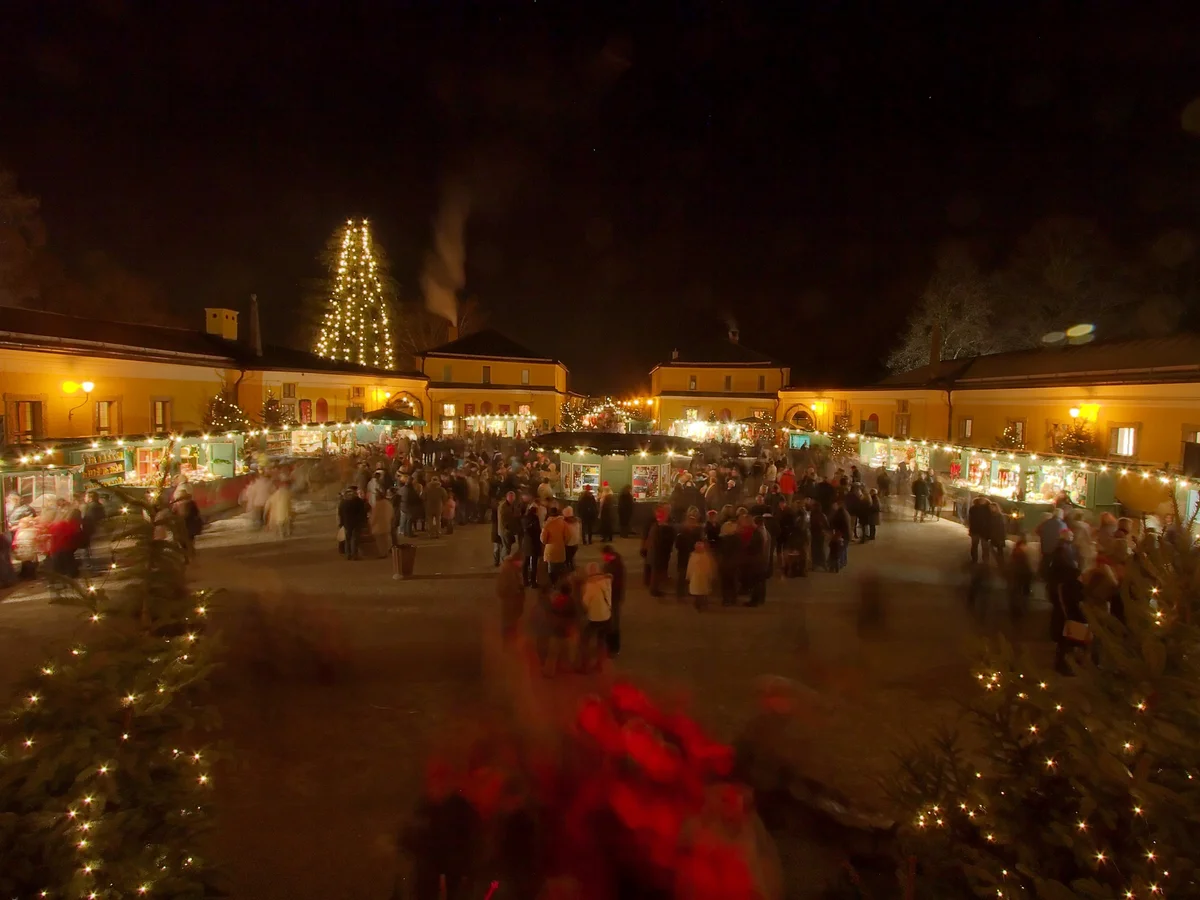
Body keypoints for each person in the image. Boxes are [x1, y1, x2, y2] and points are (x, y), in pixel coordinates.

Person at [580, 562, 613, 671]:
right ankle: (599, 664)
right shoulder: (607, 582)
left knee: (585, 639)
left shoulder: (590, 586)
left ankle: (585, 664)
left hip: (594, 618)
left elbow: (585, 603)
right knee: (601, 640)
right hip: (606, 616)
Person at [496, 546, 525, 643]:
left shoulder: (513, 568)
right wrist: (515, 592)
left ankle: (510, 640)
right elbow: (503, 586)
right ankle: (508, 642)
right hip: (509, 601)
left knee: (511, 622)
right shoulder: (508, 570)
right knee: (508, 622)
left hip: (512, 601)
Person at [601, 545, 626, 657]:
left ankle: (613, 648)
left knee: (612, 622)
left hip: (612, 597)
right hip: (615, 596)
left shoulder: (611, 566)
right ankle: (612, 647)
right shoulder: (618, 563)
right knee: (613, 621)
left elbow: (609, 583)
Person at [337, 486, 369, 561]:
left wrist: (341, 523)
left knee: (347, 539)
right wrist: (364, 521)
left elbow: (340, 514)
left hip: (347, 523)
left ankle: (348, 555)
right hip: (357, 523)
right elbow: (362, 513)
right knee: (355, 539)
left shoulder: (343, 502)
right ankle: (354, 555)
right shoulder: (358, 501)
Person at [541, 506, 570, 585]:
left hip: (550, 550)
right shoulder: (563, 523)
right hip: (560, 549)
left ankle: (553, 584)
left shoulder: (547, 524)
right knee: (560, 568)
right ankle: (560, 584)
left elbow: (543, 539)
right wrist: (563, 542)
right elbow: (567, 536)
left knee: (551, 569)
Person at [686, 540, 715, 610]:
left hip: (701, 576)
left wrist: (710, 575)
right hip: (696, 576)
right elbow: (690, 567)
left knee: (700, 590)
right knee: (698, 590)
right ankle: (698, 602)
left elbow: (708, 567)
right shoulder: (695, 556)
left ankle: (700, 602)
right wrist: (689, 575)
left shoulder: (704, 557)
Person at [520, 505, 543, 588]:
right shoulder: (535, 518)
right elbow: (537, 531)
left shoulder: (524, 518)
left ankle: (525, 581)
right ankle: (533, 582)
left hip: (526, 542)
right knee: (533, 563)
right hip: (534, 543)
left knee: (525, 562)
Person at [968, 497, 993, 564]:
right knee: (974, 545)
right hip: (975, 529)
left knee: (985, 546)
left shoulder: (989, 508)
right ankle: (974, 559)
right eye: (980, 499)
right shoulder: (973, 508)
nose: (982, 500)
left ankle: (985, 560)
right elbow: (970, 519)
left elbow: (991, 520)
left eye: (983, 499)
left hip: (984, 531)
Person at [562, 506, 582, 570]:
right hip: (576, 543)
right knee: (570, 557)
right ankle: (571, 566)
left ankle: (568, 567)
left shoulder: (564, 523)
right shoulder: (577, 522)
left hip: (568, 544)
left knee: (567, 558)